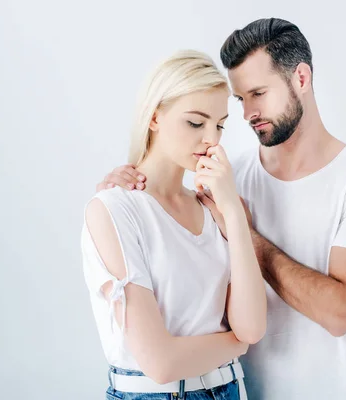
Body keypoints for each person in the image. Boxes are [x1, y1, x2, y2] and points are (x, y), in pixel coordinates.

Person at [98, 18, 346, 400]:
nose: (246, 113)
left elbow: (342, 313)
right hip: (235, 389)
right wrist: (120, 186)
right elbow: (166, 232)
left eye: (258, 93)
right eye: (240, 99)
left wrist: (243, 232)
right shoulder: (225, 177)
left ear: (301, 79)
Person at [82, 50, 266, 400]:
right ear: (154, 117)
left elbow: (253, 326)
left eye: (220, 124)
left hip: (229, 389)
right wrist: (236, 343)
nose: (211, 138)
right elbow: (160, 363)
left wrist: (233, 213)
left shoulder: (213, 207)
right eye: (196, 123)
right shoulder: (114, 209)